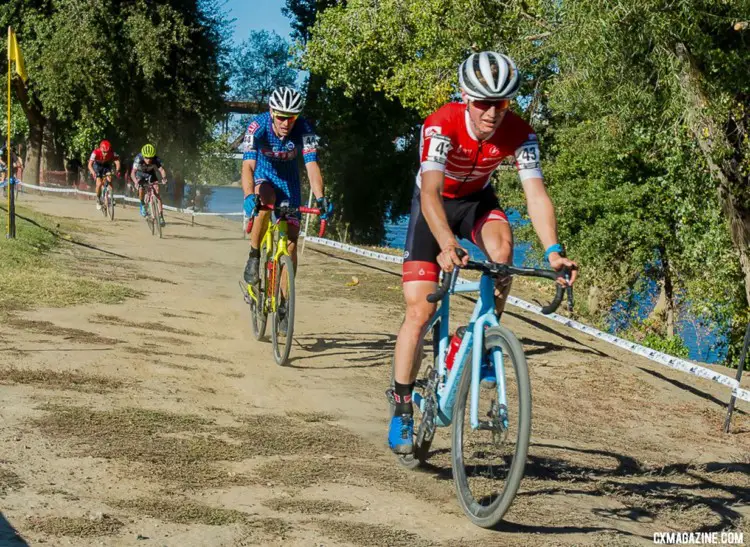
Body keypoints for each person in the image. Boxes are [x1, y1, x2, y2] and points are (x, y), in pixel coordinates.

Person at [388, 51, 578, 455]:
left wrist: (554, 251)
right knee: (419, 310)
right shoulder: (440, 125)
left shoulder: (521, 134)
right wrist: (445, 243)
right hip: (433, 206)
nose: (492, 113)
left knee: (501, 252)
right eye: (483, 103)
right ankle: (402, 405)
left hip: (477, 202)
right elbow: (432, 192)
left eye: (503, 103)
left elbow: (536, 194)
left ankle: (483, 337)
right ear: (465, 97)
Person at [241, 86, 333, 286]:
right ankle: (254, 255)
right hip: (263, 176)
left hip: (289, 182)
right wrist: (249, 195)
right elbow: (248, 165)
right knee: (266, 201)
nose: (286, 123)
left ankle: (284, 304)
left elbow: (311, 165)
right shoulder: (257, 126)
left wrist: (320, 197)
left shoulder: (304, 129)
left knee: (291, 242)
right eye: (282, 117)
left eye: (291, 118)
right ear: (272, 112)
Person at [131, 144, 168, 226]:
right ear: (143, 156)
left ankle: (161, 217)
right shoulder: (138, 158)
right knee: (141, 189)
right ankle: (143, 205)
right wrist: (135, 182)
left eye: (150, 158)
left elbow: (161, 170)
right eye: (146, 157)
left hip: (150, 174)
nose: (148, 159)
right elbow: (133, 173)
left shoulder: (156, 159)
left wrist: (164, 178)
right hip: (140, 174)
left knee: (157, 191)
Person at [88, 140, 121, 210]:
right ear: (100, 149)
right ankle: (98, 199)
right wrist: (93, 172)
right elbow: (89, 165)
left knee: (109, 178)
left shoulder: (112, 153)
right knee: (99, 183)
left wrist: (117, 170)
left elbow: (117, 162)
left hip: (106, 165)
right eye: (104, 152)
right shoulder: (95, 152)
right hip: (97, 166)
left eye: (107, 152)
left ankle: (111, 196)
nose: (105, 154)